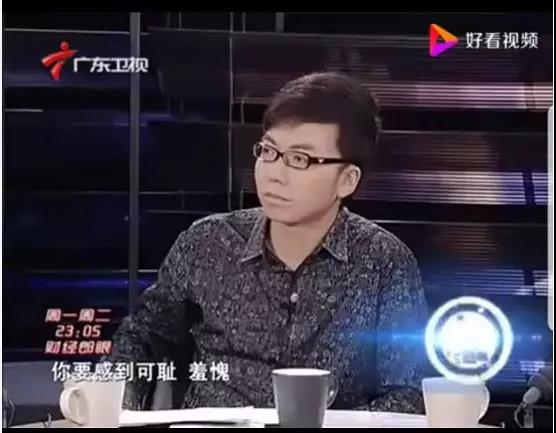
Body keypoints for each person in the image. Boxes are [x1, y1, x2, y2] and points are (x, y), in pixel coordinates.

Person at [107, 72, 429, 413]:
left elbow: (407, 393)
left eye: (300, 159)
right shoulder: (206, 243)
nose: (274, 173)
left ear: (347, 180)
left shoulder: (384, 261)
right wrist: (110, 401)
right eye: (269, 151)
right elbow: (141, 339)